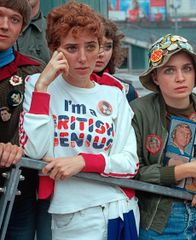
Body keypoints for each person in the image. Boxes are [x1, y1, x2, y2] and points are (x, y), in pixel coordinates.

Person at [20, 1, 139, 239]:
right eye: (72, 48)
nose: (84, 58)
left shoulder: (115, 95)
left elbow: (129, 164)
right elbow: (34, 150)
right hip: (72, 214)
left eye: (91, 46)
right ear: (55, 49)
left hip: (121, 208)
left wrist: (81, 162)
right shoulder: (37, 86)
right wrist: (43, 86)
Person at [130, 33, 196, 239]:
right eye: (169, 70)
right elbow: (133, 171)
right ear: (155, 77)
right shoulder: (138, 112)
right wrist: (186, 170)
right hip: (157, 220)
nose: (180, 78)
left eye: (187, 68)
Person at [0, 0, 46, 239]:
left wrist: (18, 146)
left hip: (19, 191)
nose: (4, 25)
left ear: (22, 28)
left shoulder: (36, 72)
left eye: (14, 20)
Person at [92, 16, 138, 102]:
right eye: (93, 46)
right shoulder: (61, 86)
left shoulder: (126, 91)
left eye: (108, 46)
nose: (101, 54)